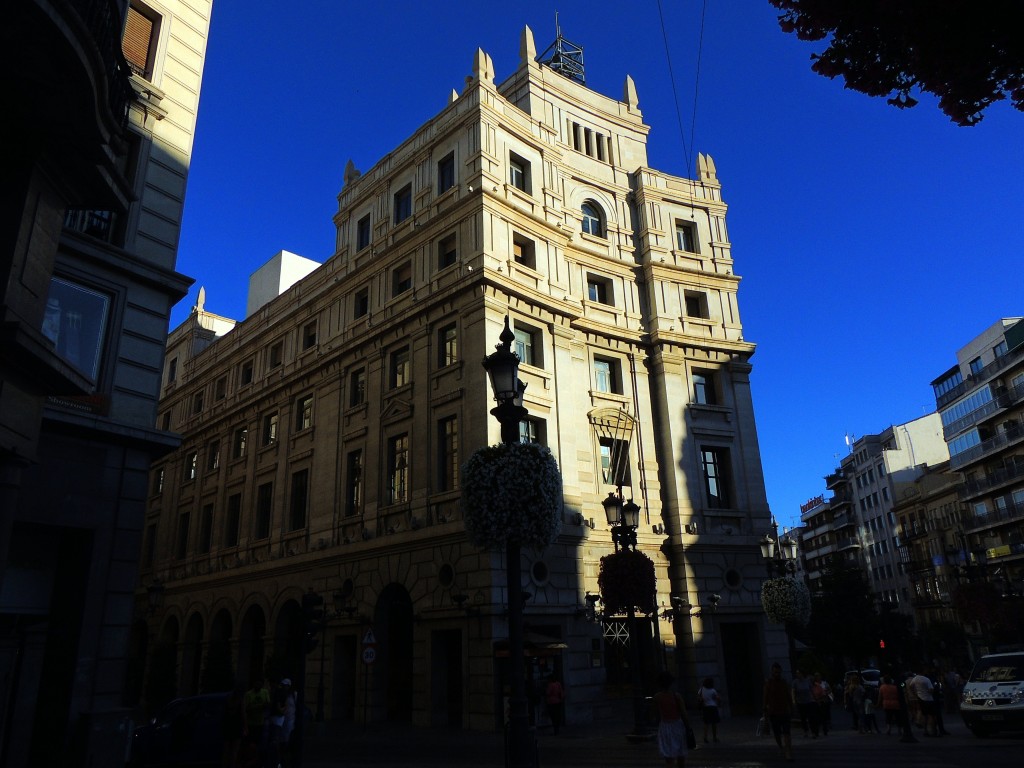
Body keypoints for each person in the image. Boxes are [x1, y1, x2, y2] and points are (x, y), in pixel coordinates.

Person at [652, 671, 693, 768]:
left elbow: (653, 714)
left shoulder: (657, 697)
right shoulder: (677, 696)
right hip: (678, 726)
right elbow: (684, 713)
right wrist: (688, 727)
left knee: (669, 757)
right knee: (681, 755)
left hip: (665, 726)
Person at [763, 662, 794, 761]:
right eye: (775, 672)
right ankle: (781, 747)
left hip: (784, 711)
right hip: (773, 712)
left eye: (778, 672)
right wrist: (765, 711)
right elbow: (765, 698)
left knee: (786, 732)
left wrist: (792, 708)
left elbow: (789, 697)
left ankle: (788, 751)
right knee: (777, 733)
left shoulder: (784, 683)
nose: (777, 674)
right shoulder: (769, 684)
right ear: (772, 672)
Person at [221, 683, 247, 768]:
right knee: (234, 751)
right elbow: (243, 714)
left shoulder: (228, 698)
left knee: (226, 750)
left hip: (227, 726)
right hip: (236, 726)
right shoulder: (240, 700)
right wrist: (245, 727)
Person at [243, 678, 269, 753]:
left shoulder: (265, 692)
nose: (258, 685)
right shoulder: (248, 694)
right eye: (256, 684)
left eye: (259, 684)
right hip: (250, 723)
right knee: (250, 742)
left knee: (258, 742)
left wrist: (264, 706)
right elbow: (245, 708)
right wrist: (257, 707)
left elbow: (268, 704)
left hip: (260, 722)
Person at [792, 668, 817, 737]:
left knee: (811, 717)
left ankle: (813, 732)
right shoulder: (795, 682)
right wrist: (794, 701)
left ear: (802, 674)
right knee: (803, 718)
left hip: (808, 701)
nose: (797, 674)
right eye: (797, 673)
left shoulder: (807, 681)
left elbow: (811, 690)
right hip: (800, 702)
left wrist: (815, 698)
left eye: (799, 673)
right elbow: (793, 692)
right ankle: (805, 731)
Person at [696, 677, 721, 743]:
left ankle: (705, 737)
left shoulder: (701, 689)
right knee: (714, 723)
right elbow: (717, 698)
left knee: (706, 723)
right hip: (713, 707)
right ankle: (714, 737)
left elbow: (698, 697)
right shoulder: (713, 690)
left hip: (705, 707)